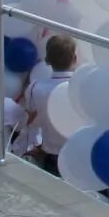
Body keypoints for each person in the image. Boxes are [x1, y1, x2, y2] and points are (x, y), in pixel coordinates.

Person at [24, 36, 77, 176]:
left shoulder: (35, 88)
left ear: (47, 60)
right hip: (82, 154)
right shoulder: (85, 87)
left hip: (52, 155)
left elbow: (30, 123)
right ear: (75, 58)